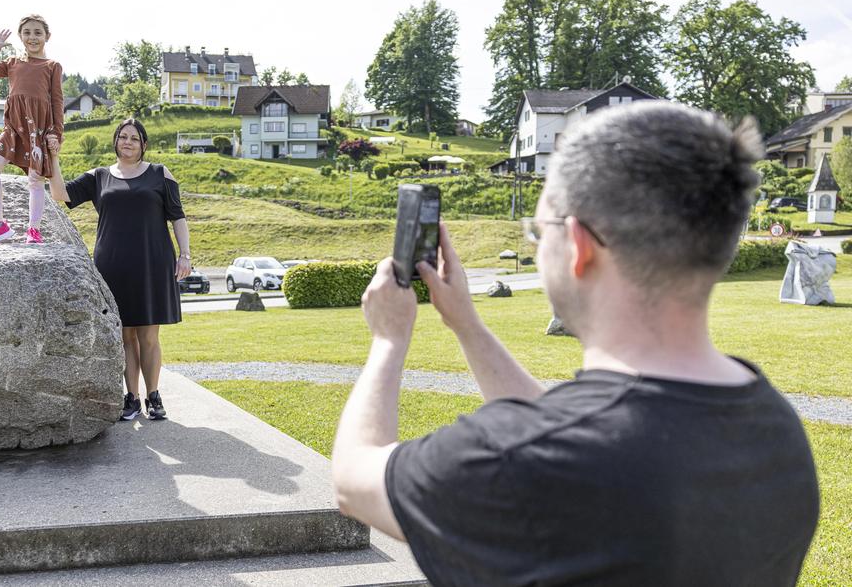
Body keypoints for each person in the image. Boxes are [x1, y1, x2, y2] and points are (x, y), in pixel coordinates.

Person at [332, 101, 820, 586]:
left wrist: (388, 341)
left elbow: (355, 480)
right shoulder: (775, 429)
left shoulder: (516, 459)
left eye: (539, 230)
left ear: (581, 246)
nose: (536, 245)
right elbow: (593, 431)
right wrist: (467, 326)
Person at [47, 118, 191, 421]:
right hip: (112, 265)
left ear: (144, 144)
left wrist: (185, 255)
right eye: (122, 137)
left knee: (149, 336)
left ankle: (153, 396)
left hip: (153, 262)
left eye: (134, 138)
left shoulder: (160, 173)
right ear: (115, 141)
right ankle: (131, 397)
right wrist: (54, 157)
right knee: (125, 336)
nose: (127, 142)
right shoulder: (99, 176)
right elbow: (59, 193)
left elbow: (178, 217)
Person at [0, 14, 64, 244]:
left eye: (37, 32)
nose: (32, 37)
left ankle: (33, 230)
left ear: (47, 36)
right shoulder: (12, 62)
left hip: (38, 129)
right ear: (20, 36)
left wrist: (56, 133)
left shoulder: (52, 66)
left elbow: (57, 102)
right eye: (27, 32)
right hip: (13, 128)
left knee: (35, 179)